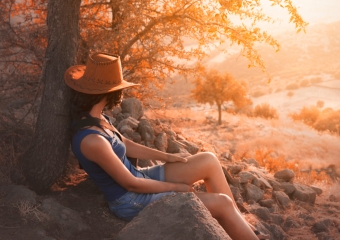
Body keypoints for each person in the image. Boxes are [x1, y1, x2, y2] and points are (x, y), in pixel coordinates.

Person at [64, 52, 267, 240]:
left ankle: (236, 225)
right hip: (131, 200)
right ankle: (236, 224)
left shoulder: (96, 117)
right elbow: (130, 184)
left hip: (139, 177)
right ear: (110, 92)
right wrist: (178, 188)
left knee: (208, 160)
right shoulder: (92, 140)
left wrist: (167, 156)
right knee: (222, 202)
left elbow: (123, 143)